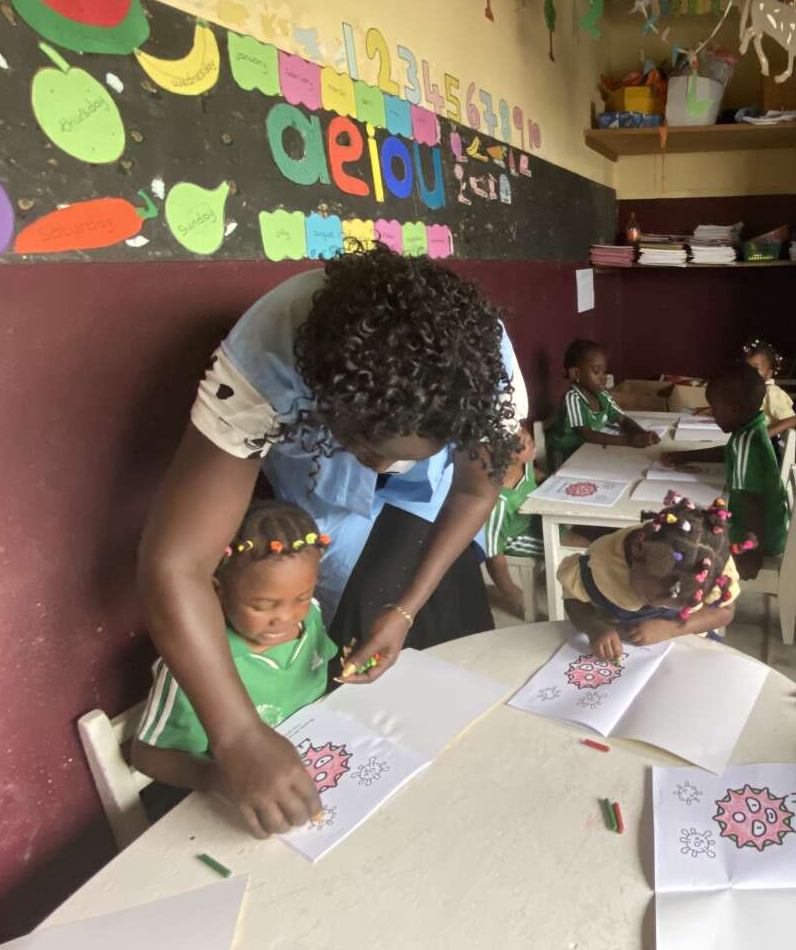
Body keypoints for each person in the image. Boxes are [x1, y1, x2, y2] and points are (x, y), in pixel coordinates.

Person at [138, 247, 526, 837]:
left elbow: (473, 495)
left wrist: (405, 609)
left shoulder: (485, 379)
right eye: (369, 447)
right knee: (341, 610)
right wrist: (239, 736)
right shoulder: (263, 364)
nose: (384, 468)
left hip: (435, 488)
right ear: (326, 400)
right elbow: (176, 562)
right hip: (317, 485)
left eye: (401, 454)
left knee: (425, 623)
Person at [133, 501, 338, 792]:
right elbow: (146, 756)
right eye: (262, 606)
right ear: (218, 591)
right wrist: (220, 780)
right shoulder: (192, 664)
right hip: (233, 796)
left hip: (310, 766)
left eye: (302, 597)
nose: (286, 617)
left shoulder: (312, 617)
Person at [559, 496, 747, 661]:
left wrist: (672, 628)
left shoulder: (710, 566)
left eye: (678, 606)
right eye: (648, 597)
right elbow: (573, 600)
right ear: (637, 551)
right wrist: (595, 628)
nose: (657, 608)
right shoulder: (602, 562)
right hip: (622, 648)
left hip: (688, 644)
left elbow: (725, 612)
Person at [662, 363, 789, 579]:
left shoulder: (746, 444)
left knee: (685, 532)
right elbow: (727, 452)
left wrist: (750, 555)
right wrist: (686, 455)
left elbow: (752, 504)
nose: (712, 414)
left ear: (734, 409)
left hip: (759, 536)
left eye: (714, 408)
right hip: (767, 526)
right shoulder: (751, 430)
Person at [546, 339, 659, 467]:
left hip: (590, 451)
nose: (603, 377)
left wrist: (642, 434)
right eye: (596, 371)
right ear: (576, 373)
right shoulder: (573, 398)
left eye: (604, 372)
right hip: (568, 458)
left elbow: (622, 420)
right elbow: (588, 435)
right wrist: (629, 440)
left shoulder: (603, 395)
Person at [478, 424, 546, 620]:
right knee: (569, 545)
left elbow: (534, 475)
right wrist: (513, 594)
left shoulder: (524, 465)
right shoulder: (498, 503)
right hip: (514, 538)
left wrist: (551, 482)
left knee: (579, 537)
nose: (533, 444)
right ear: (513, 457)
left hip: (532, 519)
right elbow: (494, 556)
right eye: (529, 443)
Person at [742, 338, 796, 438]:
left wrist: (764, 435)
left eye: (756, 369)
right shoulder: (747, 390)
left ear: (769, 373)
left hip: (764, 446)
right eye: (746, 368)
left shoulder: (771, 392)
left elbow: (791, 420)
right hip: (745, 440)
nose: (749, 372)